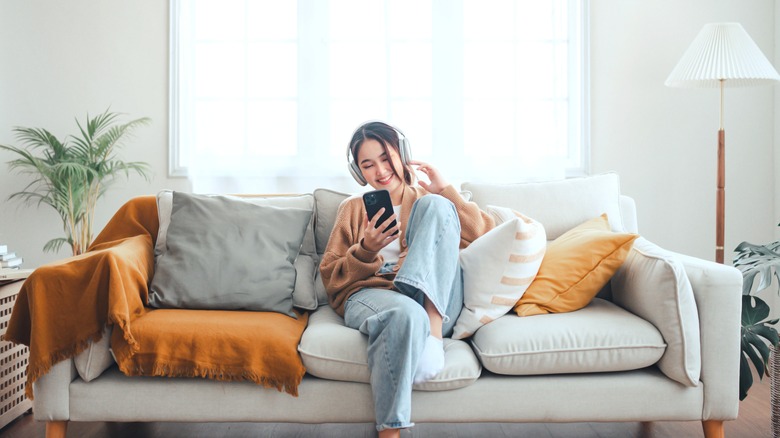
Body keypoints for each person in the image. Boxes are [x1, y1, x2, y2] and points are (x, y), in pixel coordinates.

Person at [319, 121, 495, 437]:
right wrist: (365, 250)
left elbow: (486, 236)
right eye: (367, 164)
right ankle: (391, 432)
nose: (380, 170)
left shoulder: (431, 201)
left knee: (435, 206)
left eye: (385, 158)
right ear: (359, 172)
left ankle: (433, 335)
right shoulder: (352, 209)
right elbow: (331, 277)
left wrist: (445, 191)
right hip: (374, 296)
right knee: (405, 312)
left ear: (402, 155)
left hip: (435, 303)